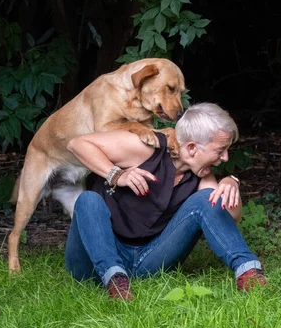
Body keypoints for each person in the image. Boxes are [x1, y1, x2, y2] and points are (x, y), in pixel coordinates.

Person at [65, 103, 266, 301]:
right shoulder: (146, 147)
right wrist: (116, 174)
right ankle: (114, 279)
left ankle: (249, 273)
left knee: (206, 199)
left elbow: (231, 217)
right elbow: (77, 144)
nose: (225, 157)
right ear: (192, 148)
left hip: (149, 260)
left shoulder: (203, 177)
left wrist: (232, 183)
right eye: (221, 150)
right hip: (93, 262)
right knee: (88, 199)